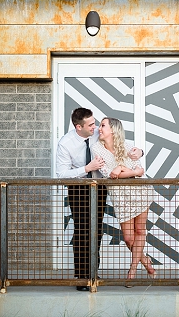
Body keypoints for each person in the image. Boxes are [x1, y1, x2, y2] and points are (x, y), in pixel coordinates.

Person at [55, 107, 143, 291]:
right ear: (79, 127)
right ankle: (82, 276)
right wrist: (87, 168)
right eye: (90, 125)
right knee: (81, 230)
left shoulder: (98, 133)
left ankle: (94, 272)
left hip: (99, 188)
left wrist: (140, 152)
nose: (95, 127)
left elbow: (120, 143)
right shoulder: (66, 143)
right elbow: (62, 174)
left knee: (96, 230)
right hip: (78, 188)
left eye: (95, 123)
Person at [92, 117, 156, 286]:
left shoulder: (128, 146)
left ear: (113, 129)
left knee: (140, 231)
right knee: (128, 238)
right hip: (120, 196)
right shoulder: (96, 148)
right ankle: (145, 260)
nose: (99, 128)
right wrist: (127, 171)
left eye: (103, 125)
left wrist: (120, 168)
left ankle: (132, 270)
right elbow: (107, 174)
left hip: (140, 192)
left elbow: (141, 170)